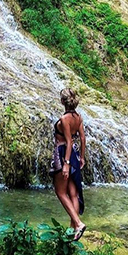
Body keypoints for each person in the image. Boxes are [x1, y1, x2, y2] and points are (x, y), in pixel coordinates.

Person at [50, 87, 86, 240]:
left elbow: (69, 141)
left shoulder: (64, 119)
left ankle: (78, 224)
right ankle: (72, 230)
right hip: (75, 156)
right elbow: (82, 139)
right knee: (73, 193)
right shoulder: (78, 117)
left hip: (63, 153)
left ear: (62, 101)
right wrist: (82, 157)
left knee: (60, 192)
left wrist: (65, 164)